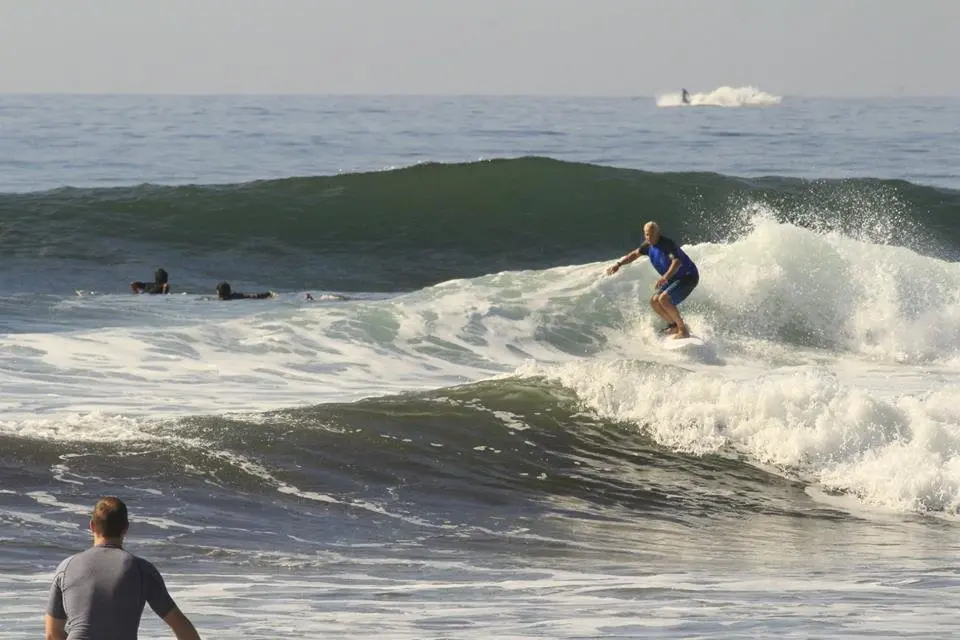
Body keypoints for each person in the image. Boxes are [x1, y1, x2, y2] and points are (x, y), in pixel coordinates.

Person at [45, 496, 201, 640]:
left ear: (92, 526)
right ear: (125, 528)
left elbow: (52, 633)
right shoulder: (142, 570)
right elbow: (181, 626)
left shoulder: (66, 568)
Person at [606, 220, 699, 339]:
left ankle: (683, 330)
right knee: (654, 301)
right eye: (646, 234)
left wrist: (664, 277)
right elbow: (635, 254)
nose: (648, 238)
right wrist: (619, 264)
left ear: (658, 233)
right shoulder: (647, 246)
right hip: (673, 278)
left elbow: (676, 262)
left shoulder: (667, 244)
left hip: (688, 276)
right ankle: (674, 325)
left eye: (651, 235)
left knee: (663, 299)